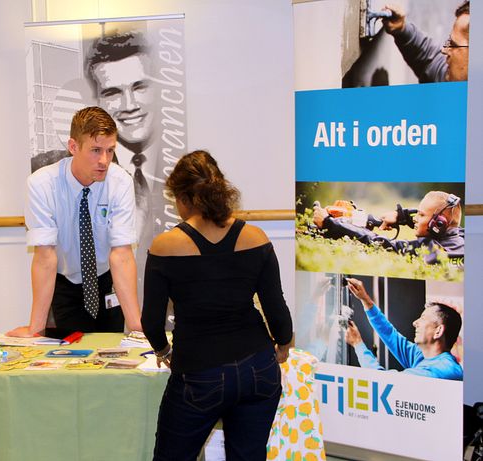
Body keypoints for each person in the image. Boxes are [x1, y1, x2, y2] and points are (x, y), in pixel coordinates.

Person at [141, 150, 293, 461]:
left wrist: (163, 351)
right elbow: (277, 309)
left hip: (199, 373)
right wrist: (283, 346)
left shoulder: (165, 246)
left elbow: (151, 322)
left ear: (184, 197)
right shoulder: (255, 237)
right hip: (259, 369)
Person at [7, 107, 142, 337]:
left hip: (107, 282)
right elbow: (45, 257)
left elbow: (121, 254)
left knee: (111, 353)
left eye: (110, 151)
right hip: (65, 284)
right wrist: (35, 329)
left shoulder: (120, 182)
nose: (104, 161)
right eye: (96, 150)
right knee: (74, 357)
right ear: (73, 147)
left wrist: (138, 329)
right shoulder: (42, 185)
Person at [86, 32, 158, 240]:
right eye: (113, 93)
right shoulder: (80, 173)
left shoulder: (181, 161)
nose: (130, 105)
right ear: (96, 100)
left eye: (140, 87)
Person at [344, 278, 463, 381]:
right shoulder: (423, 356)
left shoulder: (442, 371)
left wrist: (358, 344)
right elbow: (390, 334)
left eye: (423, 318)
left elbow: (381, 381)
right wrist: (366, 300)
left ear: (438, 331)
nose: (415, 323)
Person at [312, 191, 464, 264]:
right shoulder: (463, 238)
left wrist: (329, 223)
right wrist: (401, 216)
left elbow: (379, 242)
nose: (416, 218)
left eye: (421, 215)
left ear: (438, 225)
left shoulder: (429, 248)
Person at [383, 1, 470, 82]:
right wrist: (402, 29)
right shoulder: (449, 77)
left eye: (453, 45)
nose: (444, 50)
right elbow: (430, 60)